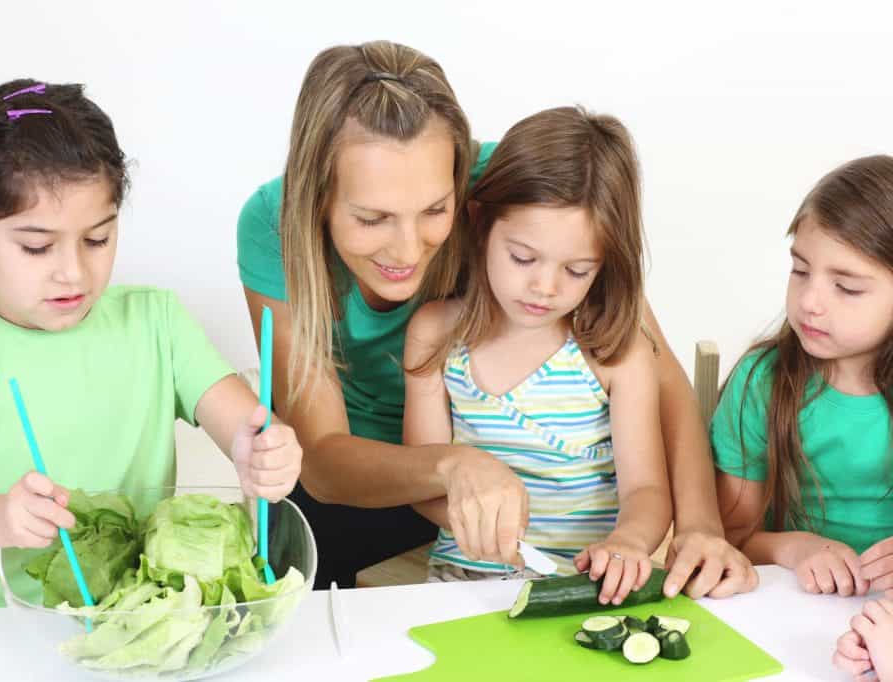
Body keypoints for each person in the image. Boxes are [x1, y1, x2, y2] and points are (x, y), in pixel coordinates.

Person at [238, 40, 757, 596]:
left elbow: (659, 375)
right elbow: (323, 462)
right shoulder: (273, 226)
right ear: (318, 197)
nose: (408, 250)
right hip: (373, 485)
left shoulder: (517, 193)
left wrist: (700, 525)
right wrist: (451, 466)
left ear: (466, 193)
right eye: (372, 219)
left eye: (436, 210)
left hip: (502, 498)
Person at [0, 79, 303, 608]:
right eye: (37, 247)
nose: (73, 273)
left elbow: (246, 427)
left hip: (141, 626)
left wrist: (261, 451)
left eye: (97, 238)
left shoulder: (157, 322)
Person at [404, 107, 670, 605]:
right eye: (523, 258)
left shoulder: (615, 354)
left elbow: (647, 491)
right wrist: (478, 525)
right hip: (461, 582)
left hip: (582, 588)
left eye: (577, 270)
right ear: (480, 222)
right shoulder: (434, 335)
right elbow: (422, 480)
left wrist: (628, 543)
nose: (545, 287)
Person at [713, 155, 893, 602]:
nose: (810, 301)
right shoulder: (761, 382)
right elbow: (730, 538)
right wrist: (796, 548)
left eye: (846, 287)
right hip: (794, 602)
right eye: (800, 270)